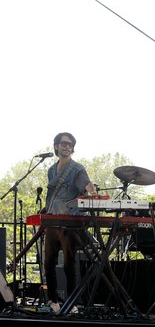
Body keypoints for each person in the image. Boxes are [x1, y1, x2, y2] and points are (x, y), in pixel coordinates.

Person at [44, 132, 97, 313]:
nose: (67, 147)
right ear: (56, 146)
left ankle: (72, 303)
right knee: (48, 263)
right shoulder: (51, 169)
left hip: (69, 222)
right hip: (52, 220)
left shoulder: (77, 169)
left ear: (72, 148)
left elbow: (87, 186)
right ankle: (53, 301)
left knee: (69, 263)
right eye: (63, 143)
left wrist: (92, 190)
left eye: (70, 144)